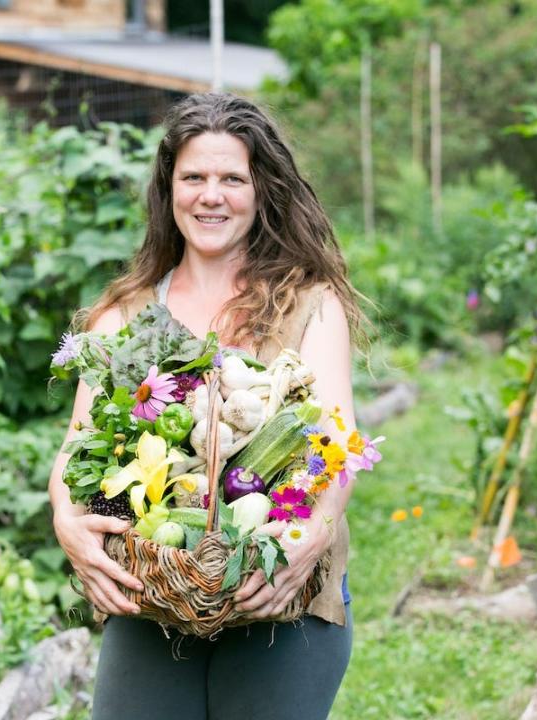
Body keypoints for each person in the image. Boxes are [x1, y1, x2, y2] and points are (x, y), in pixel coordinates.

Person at [48, 92, 368, 720]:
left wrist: (309, 537)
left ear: (262, 190)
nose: (210, 195)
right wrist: (66, 518)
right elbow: (74, 449)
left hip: (281, 599)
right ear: (169, 190)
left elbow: (339, 443)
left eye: (232, 178)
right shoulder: (124, 314)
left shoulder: (308, 303)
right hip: (154, 595)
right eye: (193, 177)